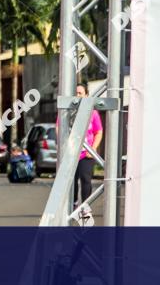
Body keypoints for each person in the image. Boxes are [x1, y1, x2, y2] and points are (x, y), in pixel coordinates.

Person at [73, 84, 103, 226]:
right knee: (72, 181)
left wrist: (93, 148)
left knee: (85, 179)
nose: (77, 95)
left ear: (86, 95)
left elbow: (99, 131)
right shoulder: (68, 111)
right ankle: (73, 205)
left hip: (87, 153)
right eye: (76, 93)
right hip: (72, 154)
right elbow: (59, 127)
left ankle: (85, 208)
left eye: (80, 93)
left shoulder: (93, 113)